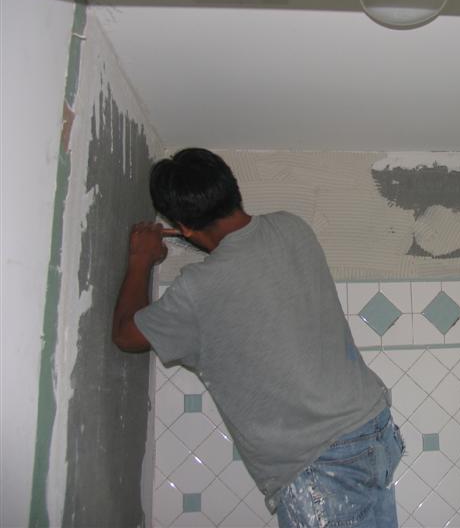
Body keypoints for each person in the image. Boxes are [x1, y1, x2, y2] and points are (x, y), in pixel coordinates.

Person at [112, 148, 403, 528]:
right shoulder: (292, 227)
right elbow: (248, 268)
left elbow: (126, 335)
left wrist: (140, 259)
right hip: (373, 428)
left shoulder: (198, 290)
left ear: (183, 226)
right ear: (231, 187)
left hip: (323, 460)